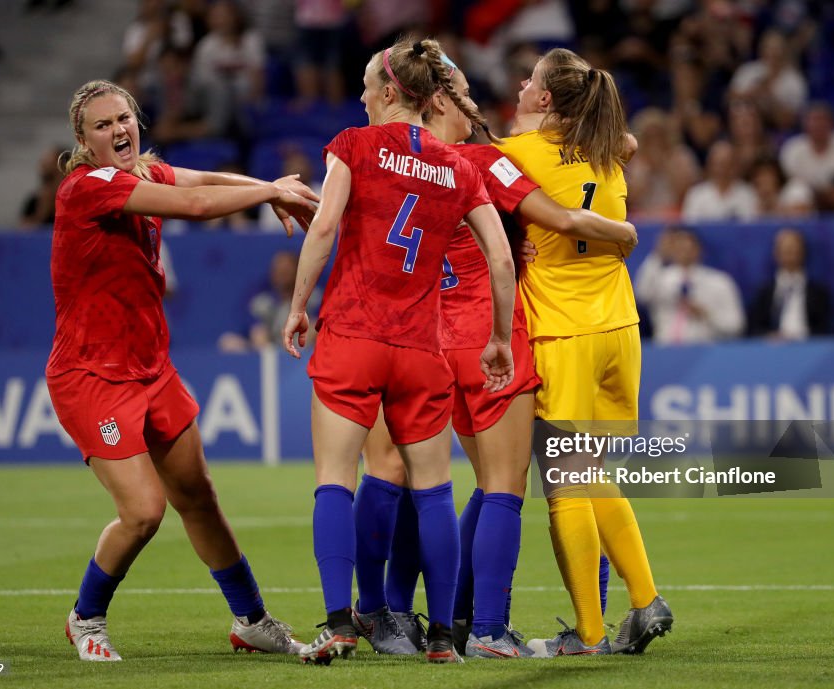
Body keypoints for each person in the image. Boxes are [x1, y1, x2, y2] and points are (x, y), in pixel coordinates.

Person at [352, 54, 638, 660]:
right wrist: (623, 232)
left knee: (411, 480)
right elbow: (565, 204)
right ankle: (489, 628)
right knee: (516, 485)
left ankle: (397, 614)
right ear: (440, 101)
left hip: (417, 338)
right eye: (461, 90)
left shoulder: (387, 161)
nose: (478, 98)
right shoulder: (484, 161)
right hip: (490, 337)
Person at [46, 79, 318, 663]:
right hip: (93, 376)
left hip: (151, 369)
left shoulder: (143, 173)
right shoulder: (86, 188)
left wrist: (263, 189)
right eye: (102, 124)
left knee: (198, 496)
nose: (118, 129)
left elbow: (204, 181)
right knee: (144, 512)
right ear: (83, 140)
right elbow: (196, 206)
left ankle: (252, 621)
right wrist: (269, 187)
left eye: (123, 117)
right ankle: (85, 617)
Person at [281, 37, 516, 665]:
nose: (359, 95)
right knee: (434, 490)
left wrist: (299, 303)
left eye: (365, 84)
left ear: (389, 91)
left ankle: (339, 624)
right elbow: (500, 256)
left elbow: (325, 228)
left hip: (354, 335)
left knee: (335, 479)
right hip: (421, 348)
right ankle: (442, 638)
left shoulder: (352, 146)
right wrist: (498, 337)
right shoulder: (462, 167)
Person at [495, 48, 673, 657]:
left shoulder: (517, 155)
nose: (521, 84)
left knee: (566, 485)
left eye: (532, 80)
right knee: (594, 472)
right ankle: (646, 600)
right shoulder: (606, 147)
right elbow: (624, 141)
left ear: (546, 99)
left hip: (565, 332)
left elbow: (475, 160)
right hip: (620, 327)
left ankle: (590, 634)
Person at [635, 226, 746, 345]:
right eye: (678, 247)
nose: (684, 251)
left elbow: (736, 326)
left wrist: (707, 315)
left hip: (704, 350)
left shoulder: (719, 282)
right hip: (664, 349)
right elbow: (641, 296)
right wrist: (658, 255)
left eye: (688, 246)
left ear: (699, 249)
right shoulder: (660, 280)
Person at [749, 228, 832, 339]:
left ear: (803, 252)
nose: (790, 253)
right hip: (773, 347)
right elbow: (755, 327)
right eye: (785, 249)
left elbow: (824, 328)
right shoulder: (765, 291)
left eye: (794, 249)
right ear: (776, 253)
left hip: (809, 346)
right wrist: (769, 335)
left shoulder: (818, 292)